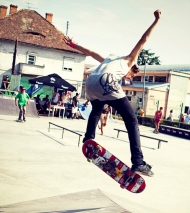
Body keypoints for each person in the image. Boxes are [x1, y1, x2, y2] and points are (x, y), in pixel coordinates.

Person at [63, 9, 162, 177]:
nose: (128, 77)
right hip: (106, 82)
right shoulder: (130, 59)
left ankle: (88, 140)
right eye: (130, 75)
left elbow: (91, 52)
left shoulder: (110, 59)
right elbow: (143, 40)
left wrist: (73, 45)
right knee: (131, 119)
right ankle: (138, 162)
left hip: (90, 81)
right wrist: (156, 21)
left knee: (96, 109)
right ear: (132, 68)